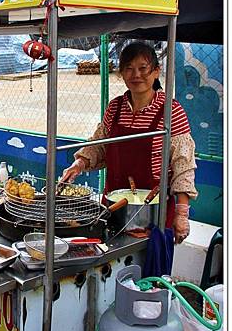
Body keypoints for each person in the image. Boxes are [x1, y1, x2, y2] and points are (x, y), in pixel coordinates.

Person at [61, 41, 197, 244]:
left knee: (150, 273)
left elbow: (183, 165)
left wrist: (182, 214)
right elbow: (99, 144)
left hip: (153, 215)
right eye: (129, 69)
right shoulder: (115, 107)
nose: (136, 75)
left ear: (156, 72)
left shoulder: (171, 111)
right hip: (114, 209)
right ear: (121, 73)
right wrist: (79, 164)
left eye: (143, 68)